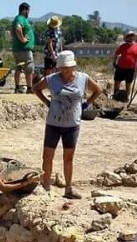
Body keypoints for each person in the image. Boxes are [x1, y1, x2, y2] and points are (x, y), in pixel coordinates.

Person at [32, 50, 102, 200]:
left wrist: (86, 104)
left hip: (72, 124)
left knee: (68, 157)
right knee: (47, 156)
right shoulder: (51, 79)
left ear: (73, 66)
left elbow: (98, 90)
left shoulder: (83, 78)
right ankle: (46, 186)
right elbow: (36, 88)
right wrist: (47, 103)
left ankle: (68, 188)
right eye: (62, 67)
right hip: (53, 123)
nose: (64, 70)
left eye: (67, 67)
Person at [11, 2, 35, 93]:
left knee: (18, 68)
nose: (29, 13)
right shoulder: (20, 18)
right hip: (24, 50)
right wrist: (23, 39)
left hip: (18, 49)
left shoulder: (18, 19)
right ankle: (29, 88)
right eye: (28, 10)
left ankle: (17, 88)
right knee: (29, 69)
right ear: (24, 10)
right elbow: (18, 28)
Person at [113, 31, 137, 100]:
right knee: (117, 81)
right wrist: (114, 62)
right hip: (120, 67)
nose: (130, 37)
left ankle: (127, 97)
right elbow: (116, 54)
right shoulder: (123, 46)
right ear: (126, 38)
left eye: (132, 36)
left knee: (128, 83)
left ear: (134, 37)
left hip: (131, 68)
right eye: (129, 36)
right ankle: (115, 95)